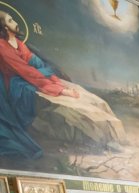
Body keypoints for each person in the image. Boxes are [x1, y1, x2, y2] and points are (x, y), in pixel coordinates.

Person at [0, 10, 79, 159]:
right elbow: (25, 71)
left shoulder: (18, 43)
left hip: (24, 75)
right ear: (4, 27)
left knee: (45, 67)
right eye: (10, 21)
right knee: (28, 87)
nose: (15, 23)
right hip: (11, 84)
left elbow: (35, 62)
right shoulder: (2, 47)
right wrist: (60, 90)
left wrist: (56, 80)